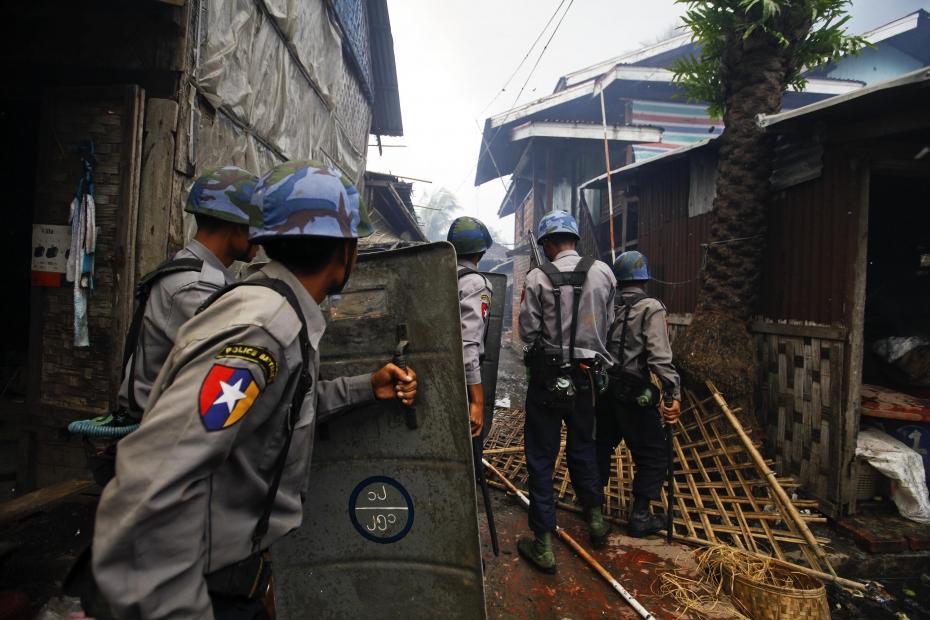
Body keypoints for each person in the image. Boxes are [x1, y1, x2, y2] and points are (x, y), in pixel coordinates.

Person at [92, 161, 418, 619]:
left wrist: (367, 387)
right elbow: (150, 489)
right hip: (202, 590)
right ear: (347, 253)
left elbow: (279, 411)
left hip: (234, 577)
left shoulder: (278, 310)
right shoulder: (265, 329)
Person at [71, 166, 261, 487]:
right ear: (236, 227)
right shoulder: (195, 287)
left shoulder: (199, 276)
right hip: (161, 453)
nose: (262, 237)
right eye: (256, 225)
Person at [517, 210, 616, 573]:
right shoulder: (604, 272)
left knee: (541, 457)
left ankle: (543, 544)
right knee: (584, 448)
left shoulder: (538, 277)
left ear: (547, 243)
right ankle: (596, 522)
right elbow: (609, 322)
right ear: (574, 238)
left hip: (547, 379)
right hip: (588, 377)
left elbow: (528, 334)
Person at [596, 250, 681, 538]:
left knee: (600, 447)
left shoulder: (606, 304)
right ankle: (641, 516)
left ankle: (593, 507)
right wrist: (673, 391)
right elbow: (659, 357)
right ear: (644, 278)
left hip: (604, 389)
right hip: (633, 394)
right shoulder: (651, 308)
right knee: (655, 454)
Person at [446, 216, 494, 439]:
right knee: (468, 447)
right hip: (463, 382)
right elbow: (468, 344)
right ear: (481, 253)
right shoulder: (476, 283)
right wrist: (477, 401)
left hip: (439, 374)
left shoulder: (440, 276)